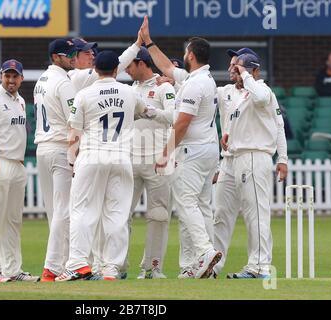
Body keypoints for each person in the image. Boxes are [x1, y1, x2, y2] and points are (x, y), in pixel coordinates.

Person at [55, 51, 154, 281]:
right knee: (117, 216)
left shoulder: (84, 94)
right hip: (121, 158)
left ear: (96, 69)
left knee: (82, 211)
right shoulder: (129, 92)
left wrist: (71, 162)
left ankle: (78, 264)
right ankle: (111, 268)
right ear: (115, 70)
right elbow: (147, 111)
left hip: (92, 157)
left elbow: (74, 133)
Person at [140, 16, 222, 279]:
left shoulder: (194, 85)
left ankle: (205, 252)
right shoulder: (200, 79)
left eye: (185, 51)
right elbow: (165, 66)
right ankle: (198, 265)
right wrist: (149, 42)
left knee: (185, 202)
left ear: (190, 55)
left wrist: (165, 154)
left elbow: (182, 124)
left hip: (194, 151)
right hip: (208, 150)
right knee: (201, 205)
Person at [212, 48, 288, 278]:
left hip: (254, 156)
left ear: (252, 69)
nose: (231, 70)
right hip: (230, 160)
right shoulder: (228, 92)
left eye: (237, 66)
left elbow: (278, 125)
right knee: (221, 214)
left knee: (255, 213)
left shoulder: (262, 91)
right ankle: (213, 265)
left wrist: (282, 158)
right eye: (232, 66)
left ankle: (259, 266)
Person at [0, 59, 39, 283]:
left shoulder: (21, 100)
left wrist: (18, 163)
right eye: (7, 76)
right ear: (1, 76)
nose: (11, 80)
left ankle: (12, 269)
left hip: (16, 165)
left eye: (15, 76)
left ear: (21, 78)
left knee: (13, 221)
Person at [123, 47, 175, 279]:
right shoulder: (130, 90)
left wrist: (150, 112)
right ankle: (118, 266)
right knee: (121, 214)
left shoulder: (164, 87)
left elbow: (175, 116)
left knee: (159, 214)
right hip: (131, 159)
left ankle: (153, 268)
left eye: (129, 66)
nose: (126, 70)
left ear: (142, 63)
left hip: (159, 159)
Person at [34, 39, 78, 282]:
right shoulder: (63, 82)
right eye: (68, 53)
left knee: (54, 210)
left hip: (43, 148)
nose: (73, 56)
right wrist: (74, 155)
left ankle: (61, 264)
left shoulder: (41, 80)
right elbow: (74, 122)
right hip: (60, 147)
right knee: (64, 210)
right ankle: (53, 267)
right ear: (55, 57)